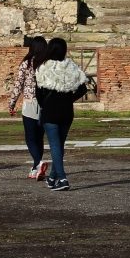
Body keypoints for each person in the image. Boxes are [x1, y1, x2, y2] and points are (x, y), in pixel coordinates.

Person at [35, 37, 91, 191]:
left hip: (50, 111)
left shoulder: (43, 67)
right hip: (67, 111)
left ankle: (63, 178)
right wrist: (68, 98)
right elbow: (83, 88)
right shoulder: (71, 67)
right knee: (59, 145)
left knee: (55, 145)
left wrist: (45, 105)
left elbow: (38, 93)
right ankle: (53, 177)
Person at [9, 36, 49, 180]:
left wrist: (12, 103)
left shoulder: (26, 64)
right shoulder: (48, 64)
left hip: (30, 102)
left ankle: (38, 162)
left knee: (30, 138)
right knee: (39, 137)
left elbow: (18, 84)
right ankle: (35, 168)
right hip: (46, 104)